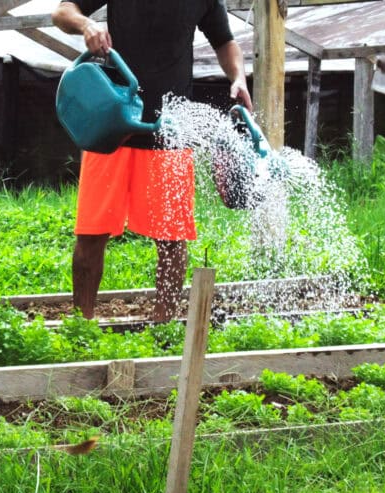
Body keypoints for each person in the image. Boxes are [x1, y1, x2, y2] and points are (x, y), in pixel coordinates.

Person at [52, 0, 253, 322]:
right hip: (112, 124)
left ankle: (164, 326)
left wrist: (238, 78)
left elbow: (225, 42)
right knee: (91, 233)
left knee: (172, 238)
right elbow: (62, 11)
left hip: (171, 130)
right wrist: (87, 25)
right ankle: (82, 324)